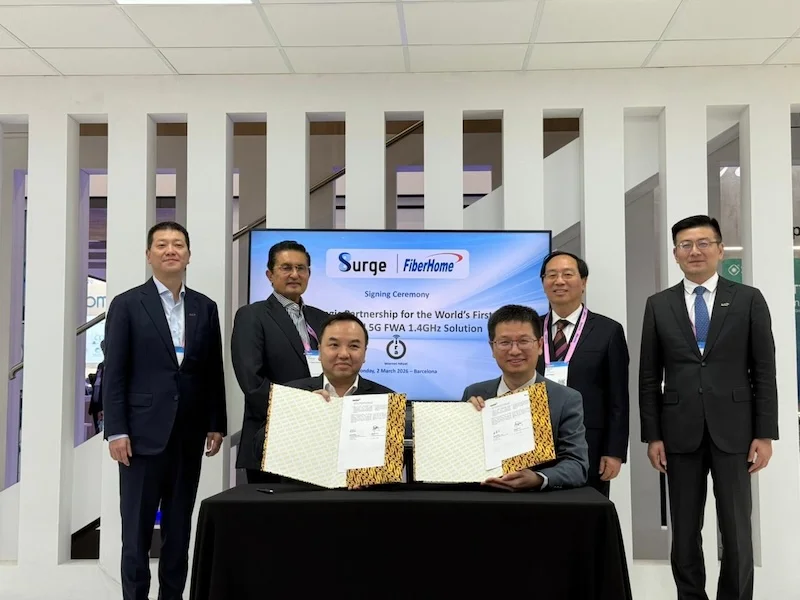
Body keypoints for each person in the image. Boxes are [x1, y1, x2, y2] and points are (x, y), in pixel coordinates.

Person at [639, 215, 777, 600]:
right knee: (684, 531)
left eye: (703, 243)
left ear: (720, 250)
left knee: (736, 531)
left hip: (735, 432)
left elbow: (764, 371)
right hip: (678, 432)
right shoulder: (659, 305)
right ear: (675, 254)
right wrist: (653, 436)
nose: (694, 251)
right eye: (686, 245)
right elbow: (648, 376)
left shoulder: (748, 299)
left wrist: (764, 434)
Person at [103, 221, 227, 600]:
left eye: (178, 244)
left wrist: (216, 422)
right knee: (136, 534)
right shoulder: (127, 304)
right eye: (161, 244)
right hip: (140, 438)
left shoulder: (205, 307)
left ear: (188, 255)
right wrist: (116, 430)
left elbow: (212, 370)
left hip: (188, 435)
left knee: (179, 530)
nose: (170, 250)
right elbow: (115, 372)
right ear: (149, 255)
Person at [232, 240, 329, 483]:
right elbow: (252, 383)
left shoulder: (322, 319)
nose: (294, 274)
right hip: (270, 438)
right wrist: (301, 407)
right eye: (286, 268)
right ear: (270, 275)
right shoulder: (252, 316)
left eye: (301, 268)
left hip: (319, 439)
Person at [462, 304, 589, 491]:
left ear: (540, 345)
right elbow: (460, 457)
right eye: (504, 342)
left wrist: (539, 478)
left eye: (523, 341)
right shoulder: (475, 393)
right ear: (492, 348)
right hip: (482, 498)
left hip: (536, 502)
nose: (514, 351)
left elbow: (577, 465)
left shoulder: (565, 399)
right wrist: (463, 420)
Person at [536, 251, 630, 497]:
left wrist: (614, 451)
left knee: (586, 513)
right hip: (535, 446)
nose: (559, 281)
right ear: (543, 283)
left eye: (567, 274)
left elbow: (618, 397)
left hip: (589, 446)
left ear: (584, 282)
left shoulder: (608, 331)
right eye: (551, 275)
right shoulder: (530, 329)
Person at [254, 311, 394, 462]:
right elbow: (260, 450)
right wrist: (297, 417)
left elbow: (397, 457)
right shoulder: (292, 394)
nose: (343, 354)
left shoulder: (386, 400)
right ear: (320, 351)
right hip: (305, 477)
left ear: (364, 353)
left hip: (364, 477)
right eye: (334, 345)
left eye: (354, 346)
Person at [89, 340, 106, 434]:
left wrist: (103, 407)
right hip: (95, 405)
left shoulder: (109, 365)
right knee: (97, 429)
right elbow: (97, 385)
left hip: (102, 406)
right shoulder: (100, 365)